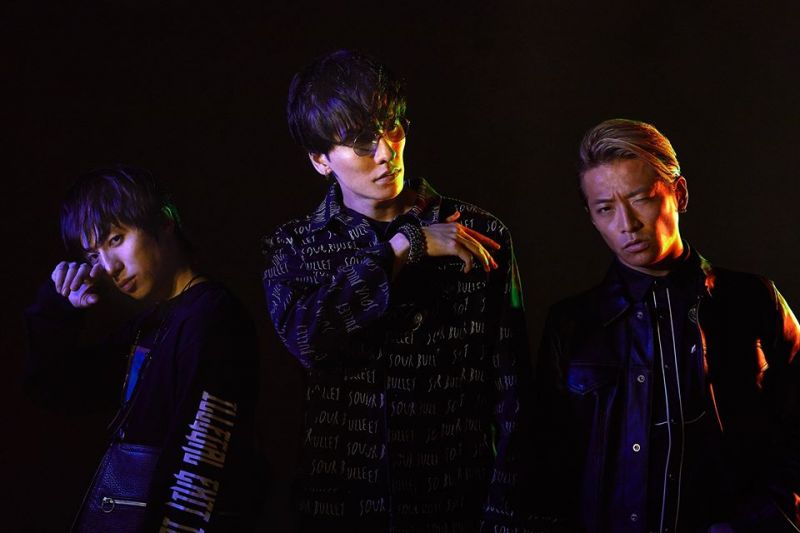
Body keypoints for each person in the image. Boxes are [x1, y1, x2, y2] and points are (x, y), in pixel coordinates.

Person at [261, 50, 531, 532]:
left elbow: (513, 396)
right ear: (321, 160)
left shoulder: (479, 232)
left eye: (393, 127)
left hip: (455, 508)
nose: (387, 152)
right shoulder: (294, 247)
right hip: (340, 511)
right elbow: (306, 338)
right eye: (362, 142)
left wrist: (507, 519)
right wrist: (404, 248)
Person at [532, 118, 800, 532]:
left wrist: (757, 522)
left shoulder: (751, 300)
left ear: (679, 193)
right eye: (605, 209)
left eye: (640, 198)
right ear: (591, 217)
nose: (626, 224)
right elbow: (548, 466)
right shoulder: (571, 324)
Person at [24, 166, 259, 532]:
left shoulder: (210, 319)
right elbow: (53, 387)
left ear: (164, 221)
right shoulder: (150, 325)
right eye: (93, 256)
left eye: (116, 239)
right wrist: (58, 306)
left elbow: (200, 466)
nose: (109, 267)